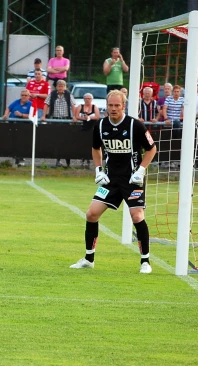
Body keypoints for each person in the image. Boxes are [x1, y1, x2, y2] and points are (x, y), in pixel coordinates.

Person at [70, 90, 157, 273]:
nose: (114, 109)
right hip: (111, 180)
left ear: (123, 106)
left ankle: (145, 262)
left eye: (117, 105)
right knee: (91, 214)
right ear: (106, 106)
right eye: (111, 105)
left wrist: (141, 170)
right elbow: (96, 149)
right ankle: (88, 259)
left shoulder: (136, 125)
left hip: (133, 180)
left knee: (137, 216)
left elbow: (151, 149)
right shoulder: (100, 126)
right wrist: (99, 170)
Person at [42, 79, 76, 167]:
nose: (60, 88)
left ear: (65, 87)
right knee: (57, 141)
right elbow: (46, 104)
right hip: (55, 120)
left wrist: (74, 116)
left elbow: (73, 105)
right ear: (56, 87)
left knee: (67, 141)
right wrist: (43, 115)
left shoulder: (69, 95)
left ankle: (68, 162)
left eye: (62, 86)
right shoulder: (52, 94)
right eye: (59, 86)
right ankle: (58, 161)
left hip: (66, 120)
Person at [2, 89, 34, 166]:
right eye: (22, 95)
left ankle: (21, 158)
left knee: (22, 142)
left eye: (25, 95)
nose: (23, 97)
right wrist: (6, 114)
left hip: (23, 126)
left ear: (29, 96)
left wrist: (22, 115)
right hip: (13, 125)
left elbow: (32, 116)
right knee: (13, 141)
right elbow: (8, 108)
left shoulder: (31, 104)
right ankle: (14, 158)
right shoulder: (16, 102)